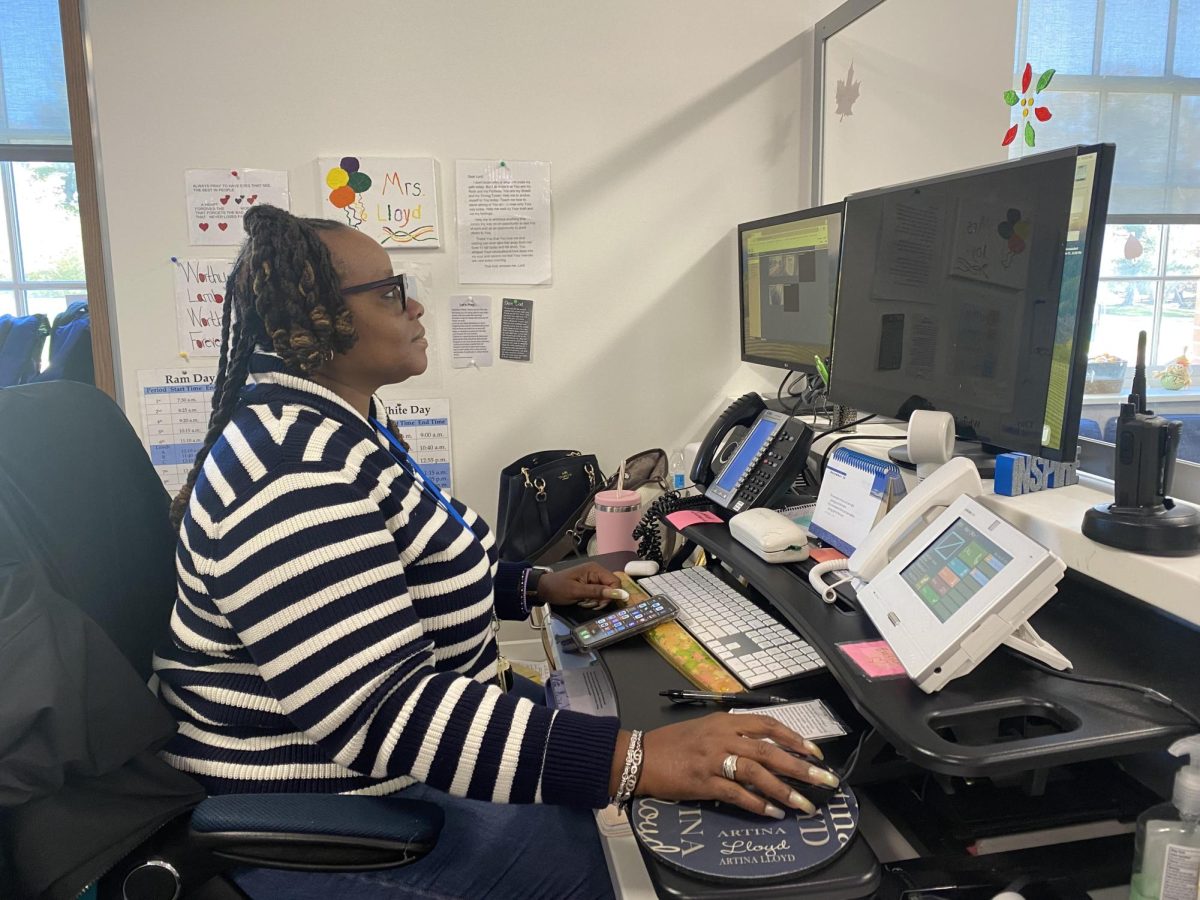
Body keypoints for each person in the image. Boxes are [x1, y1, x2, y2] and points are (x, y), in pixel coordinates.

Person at [153, 205, 838, 899]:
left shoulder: (342, 424)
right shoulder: (291, 468)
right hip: (343, 814)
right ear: (312, 321)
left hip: (392, 772)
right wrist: (637, 760)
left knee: (613, 738)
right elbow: (385, 713)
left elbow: (408, 565)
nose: (415, 305)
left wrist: (532, 587)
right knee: (614, 849)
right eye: (389, 292)